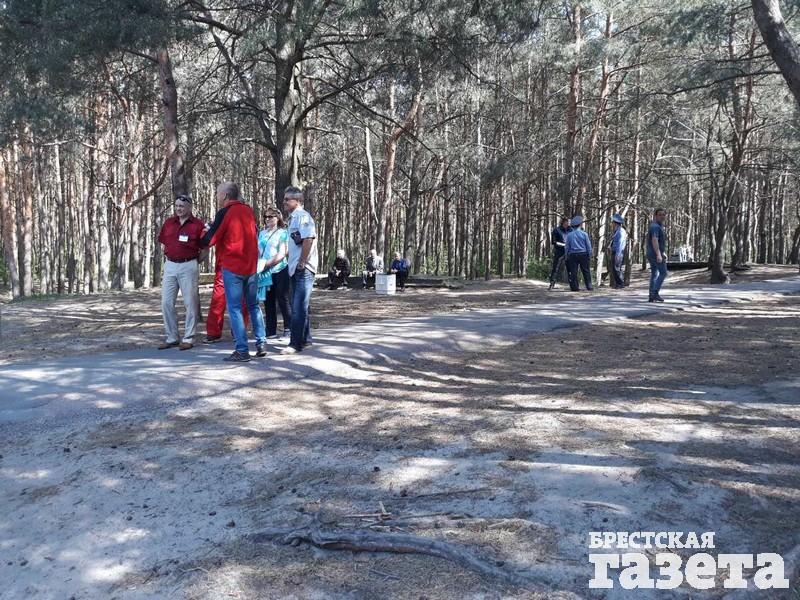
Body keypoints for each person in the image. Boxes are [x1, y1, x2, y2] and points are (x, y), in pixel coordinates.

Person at [201, 182, 267, 361]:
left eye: (218, 193)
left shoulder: (225, 212)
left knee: (235, 308)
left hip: (233, 267)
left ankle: (242, 350)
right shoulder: (248, 210)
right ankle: (261, 342)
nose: (216, 196)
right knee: (253, 305)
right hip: (251, 267)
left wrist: (202, 237)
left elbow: (210, 239)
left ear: (225, 196)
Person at [157, 195, 206, 350]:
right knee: (166, 302)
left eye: (182, 206)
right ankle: (172, 337)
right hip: (170, 265)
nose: (179, 209)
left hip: (189, 265)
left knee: (190, 303)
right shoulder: (169, 223)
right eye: (177, 206)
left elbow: (205, 248)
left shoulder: (198, 225)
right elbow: (163, 243)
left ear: (189, 207)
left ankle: (188, 338)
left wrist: (194, 263)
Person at [281, 186, 318, 355]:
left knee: (298, 307)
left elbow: (308, 239)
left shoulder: (303, 216)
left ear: (297, 201)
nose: (284, 202)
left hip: (303, 268)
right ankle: (306, 339)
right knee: (301, 305)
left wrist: (302, 261)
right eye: (284, 199)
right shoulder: (293, 218)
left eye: (287, 199)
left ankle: (295, 344)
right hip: (294, 267)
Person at [258, 208, 292, 338]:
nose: (267, 219)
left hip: (279, 269)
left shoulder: (283, 232)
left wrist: (267, 264)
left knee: (283, 299)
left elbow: (283, 253)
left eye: (270, 216)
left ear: (277, 218)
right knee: (268, 301)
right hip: (264, 272)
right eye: (265, 217)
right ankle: (271, 329)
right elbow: (258, 251)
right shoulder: (262, 233)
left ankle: (288, 327)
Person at [565, 215, 593, 291]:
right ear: (580, 224)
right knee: (586, 271)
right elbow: (588, 245)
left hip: (573, 255)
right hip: (583, 254)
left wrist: (566, 255)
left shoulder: (569, 235)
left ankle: (574, 287)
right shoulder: (584, 234)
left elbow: (567, 247)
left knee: (573, 271)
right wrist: (590, 254)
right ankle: (589, 286)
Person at [647, 208, 668, 302]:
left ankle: (651, 295)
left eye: (663, 215)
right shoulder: (655, 226)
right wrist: (659, 254)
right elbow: (654, 240)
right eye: (660, 215)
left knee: (654, 273)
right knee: (663, 273)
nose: (662, 216)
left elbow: (659, 241)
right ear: (655, 216)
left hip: (653, 253)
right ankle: (655, 293)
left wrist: (662, 252)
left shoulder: (658, 226)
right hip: (654, 254)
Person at [549, 217, 571, 290]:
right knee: (556, 268)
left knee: (571, 268)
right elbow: (553, 242)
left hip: (569, 251)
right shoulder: (557, 230)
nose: (568, 223)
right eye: (567, 222)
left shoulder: (571, 230)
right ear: (563, 222)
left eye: (569, 222)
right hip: (559, 251)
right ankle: (552, 284)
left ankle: (572, 285)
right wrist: (563, 245)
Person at [609, 213, 628, 289]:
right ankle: (618, 284)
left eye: (613, 222)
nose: (612, 224)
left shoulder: (621, 231)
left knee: (617, 268)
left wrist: (618, 254)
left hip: (618, 252)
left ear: (615, 223)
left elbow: (620, 243)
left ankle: (620, 284)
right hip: (616, 252)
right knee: (615, 268)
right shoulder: (617, 231)